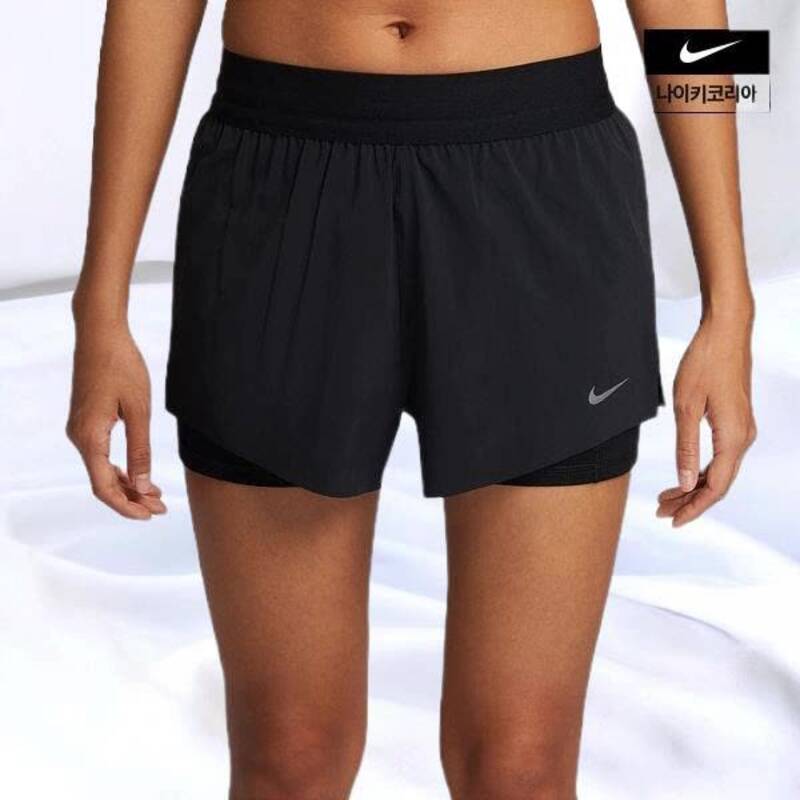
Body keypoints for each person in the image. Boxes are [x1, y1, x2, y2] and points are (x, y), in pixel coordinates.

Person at [67, 1, 757, 797]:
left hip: (542, 174)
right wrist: (100, 301)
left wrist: (730, 302)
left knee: (522, 768)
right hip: (280, 174)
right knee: (288, 758)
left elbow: (690, 9)